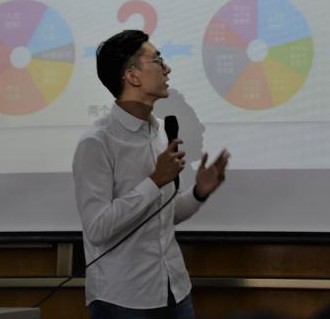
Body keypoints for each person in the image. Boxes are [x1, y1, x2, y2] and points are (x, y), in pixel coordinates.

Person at [73, 29, 230, 319]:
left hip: (174, 288)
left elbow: (161, 215)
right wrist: (155, 181)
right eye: (157, 60)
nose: (167, 68)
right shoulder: (96, 143)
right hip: (122, 298)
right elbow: (97, 229)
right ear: (132, 76)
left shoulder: (159, 132)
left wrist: (199, 193)